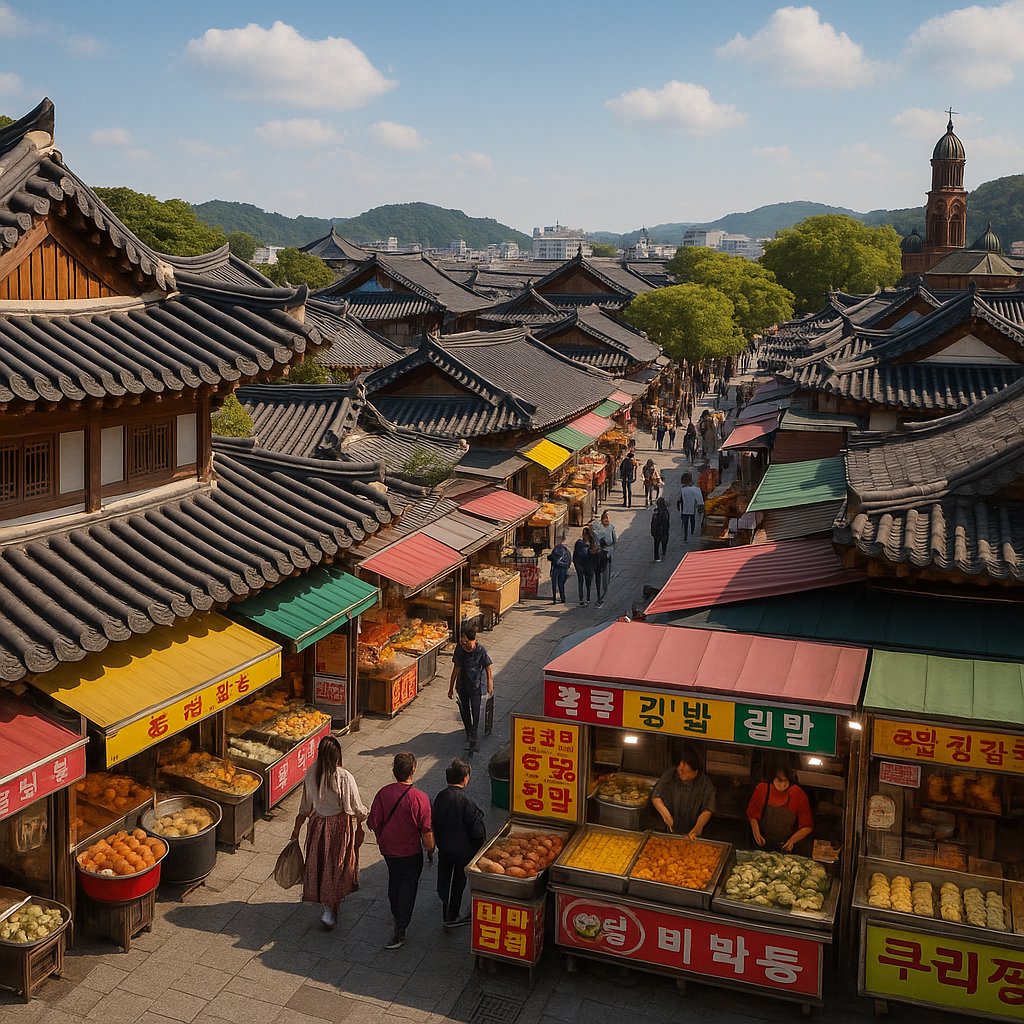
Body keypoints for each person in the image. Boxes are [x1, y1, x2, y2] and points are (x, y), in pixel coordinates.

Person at [291, 736, 368, 930]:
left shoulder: (311, 772)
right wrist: (365, 817)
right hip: (339, 828)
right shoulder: (343, 777)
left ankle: (328, 907)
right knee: (337, 865)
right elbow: (357, 808)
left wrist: (296, 829)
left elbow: (304, 806)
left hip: (317, 826)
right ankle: (330, 908)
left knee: (322, 865)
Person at [367, 752, 434, 950]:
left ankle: (397, 913)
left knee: (394, 880)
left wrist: (382, 836)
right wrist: (430, 850)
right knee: (408, 887)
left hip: (389, 851)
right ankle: (400, 928)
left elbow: (373, 822)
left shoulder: (383, 793)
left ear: (394, 770)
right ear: (413, 770)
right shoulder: (420, 798)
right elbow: (426, 830)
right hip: (411, 853)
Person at [432, 758, 486, 929]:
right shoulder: (466, 801)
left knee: (444, 879)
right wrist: (480, 848)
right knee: (458, 882)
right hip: (463, 851)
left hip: (445, 848)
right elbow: (477, 830)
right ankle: (452, 915)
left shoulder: (440, 797)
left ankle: (445, 908)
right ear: (465, 778)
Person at [651, 745, 717, 840]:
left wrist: (697, 828)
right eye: (679, 769)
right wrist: (666, 815)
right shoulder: (671, 775)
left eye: (685, 771)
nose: (681, 772)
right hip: (671, 829)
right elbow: (656, 797)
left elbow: (708, 810)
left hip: (695, 832)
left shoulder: (706, 785)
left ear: (695, 771)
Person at [747, 765, 814, 853]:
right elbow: (752, 815)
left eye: (786, 781)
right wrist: (756, 834)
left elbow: (807, 826)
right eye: (779, 780)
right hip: (762, 844)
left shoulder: (798, 794)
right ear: (773, 779)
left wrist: (792, 841)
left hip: (785, 846)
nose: (782, 785)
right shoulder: (762, 790)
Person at [449, 628, 493, 753]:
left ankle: (474, 735)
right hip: (462, 685)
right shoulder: (459, 649)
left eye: (468, 642)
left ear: (473, 641)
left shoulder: (480, 650)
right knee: (464, 709)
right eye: (464, 642)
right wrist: (450, 687)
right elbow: (456, 668)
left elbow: (488, 668)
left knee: (475, 710)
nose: (465, 644)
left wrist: (490, 683)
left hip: (475, 685)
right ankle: (469, 732)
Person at [589, 511, 617, 606]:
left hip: (603, 555)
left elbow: (614, 540)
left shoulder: (607, 527)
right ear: (603, 519)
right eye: (606, 518)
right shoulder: (602, 527)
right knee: (603, 576)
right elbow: (614, 540)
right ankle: (600, 596)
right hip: (601, 555)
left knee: (602, 576)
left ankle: (600, 595)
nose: (608, 520)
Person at [677, 472, 705, 544]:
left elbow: (679, 498)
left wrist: (678, 505)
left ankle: (685, 535)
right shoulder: (695, 489)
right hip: (691, 508)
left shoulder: (683, 489)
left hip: (685, 508)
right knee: (692, 519)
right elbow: (699, 499)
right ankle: (692, 530)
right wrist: (700, 505)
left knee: (685, 521)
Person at [547, 534, 572, 604]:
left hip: (556, 567)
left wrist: (551, 569)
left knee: (554, 582)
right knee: (561, 583)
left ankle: (554, 598)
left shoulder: (555, 550)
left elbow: (552, 558)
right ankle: (562, 598)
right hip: (564, 567)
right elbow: (569, 558)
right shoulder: (566, 550)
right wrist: (567, 566)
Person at [572, 527, 594, 606]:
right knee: (587, 583)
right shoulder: (589, 544)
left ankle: (582, 599)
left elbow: (575, 555)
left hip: (582, 565)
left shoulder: (579, 543)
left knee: (582, 582)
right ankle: (587, 599)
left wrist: (576, 564)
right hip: (585, 566)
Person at [651, 497, 670, 562]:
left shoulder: (656, 511)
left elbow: (653, 522)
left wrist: (653, 531)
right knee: (664, 542)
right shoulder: (665, 511)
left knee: (656, 545)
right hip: (664, 529)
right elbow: (667, 522)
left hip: (657, 530)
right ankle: (664, 552)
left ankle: (656, 557)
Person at [593, 539, 609, 606]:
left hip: (597, 571)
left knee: (598, 585)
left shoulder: (597, 553)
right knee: (604, 585)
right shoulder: (606, 554)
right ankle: (600, 599)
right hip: (603, 571)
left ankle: (598, 597)